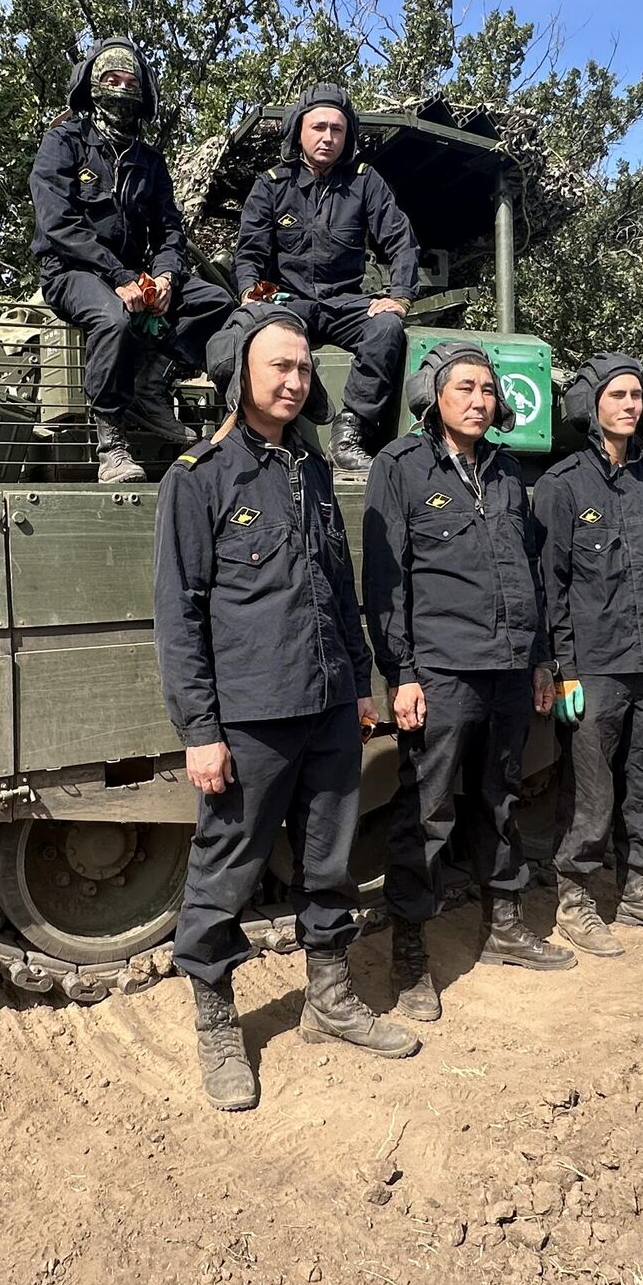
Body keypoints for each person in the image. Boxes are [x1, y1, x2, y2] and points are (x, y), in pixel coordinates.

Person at [153, 302, 420, 1113]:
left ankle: (329, 999)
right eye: (282, 366)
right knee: (226, 869)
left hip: (330, 702)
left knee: (331, 858)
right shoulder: (197, 478)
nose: (297, 380)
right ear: (242, 374)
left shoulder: (309, 472)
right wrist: (201, 731)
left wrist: (360, 687)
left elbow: (339, 593)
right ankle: (213, 1018)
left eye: (305, 368)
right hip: (251, 713)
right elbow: (180, 613)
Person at [363, 342, 576, 1022]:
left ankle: (506, 926)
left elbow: (532, 574)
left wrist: (541, 659)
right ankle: (410, 954)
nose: (479, 400)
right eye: (465, 388)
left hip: (511, 669)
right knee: (426, 811)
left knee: (502, 799)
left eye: (488, 389)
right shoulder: (400, 467)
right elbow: (385, 580)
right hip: (443, 670)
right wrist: (402, 671)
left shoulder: (510, 473)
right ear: (436, 396)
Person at [532, 353, 643, 957]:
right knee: (588, 791)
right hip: (596, 667)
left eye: (637, 396)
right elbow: (549, 584)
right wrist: (563, 669)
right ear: (591, 406)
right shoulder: (562, 485)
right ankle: (576, 899)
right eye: (617, 396)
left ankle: (638, 890)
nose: (630, 405)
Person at [30, 38, 234, 483]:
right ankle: (112, 443)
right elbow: (59, 224)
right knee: (114, 319)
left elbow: (170, 231)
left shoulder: (150, 162)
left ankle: (149, 380)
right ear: (92, 86)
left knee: (217, 304)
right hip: (71, 270)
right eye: (111, 80)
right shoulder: (63, 144)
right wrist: (119, 276)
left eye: (131, 83)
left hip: (134, 274)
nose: (122, 90)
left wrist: (164, 277)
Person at [234, 83, 420, 473]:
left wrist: (400, 296)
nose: (328, 137)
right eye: (318, 127)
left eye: (337, 129)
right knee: (254, 331)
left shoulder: (365, 182)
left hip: (345, 302)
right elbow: (249, 253)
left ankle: (350, 429)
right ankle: (256, 433)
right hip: (290, 304)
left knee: (387, 328)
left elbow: (401, 240)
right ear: (299, 131)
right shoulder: (271, 185)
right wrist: (251, 293)